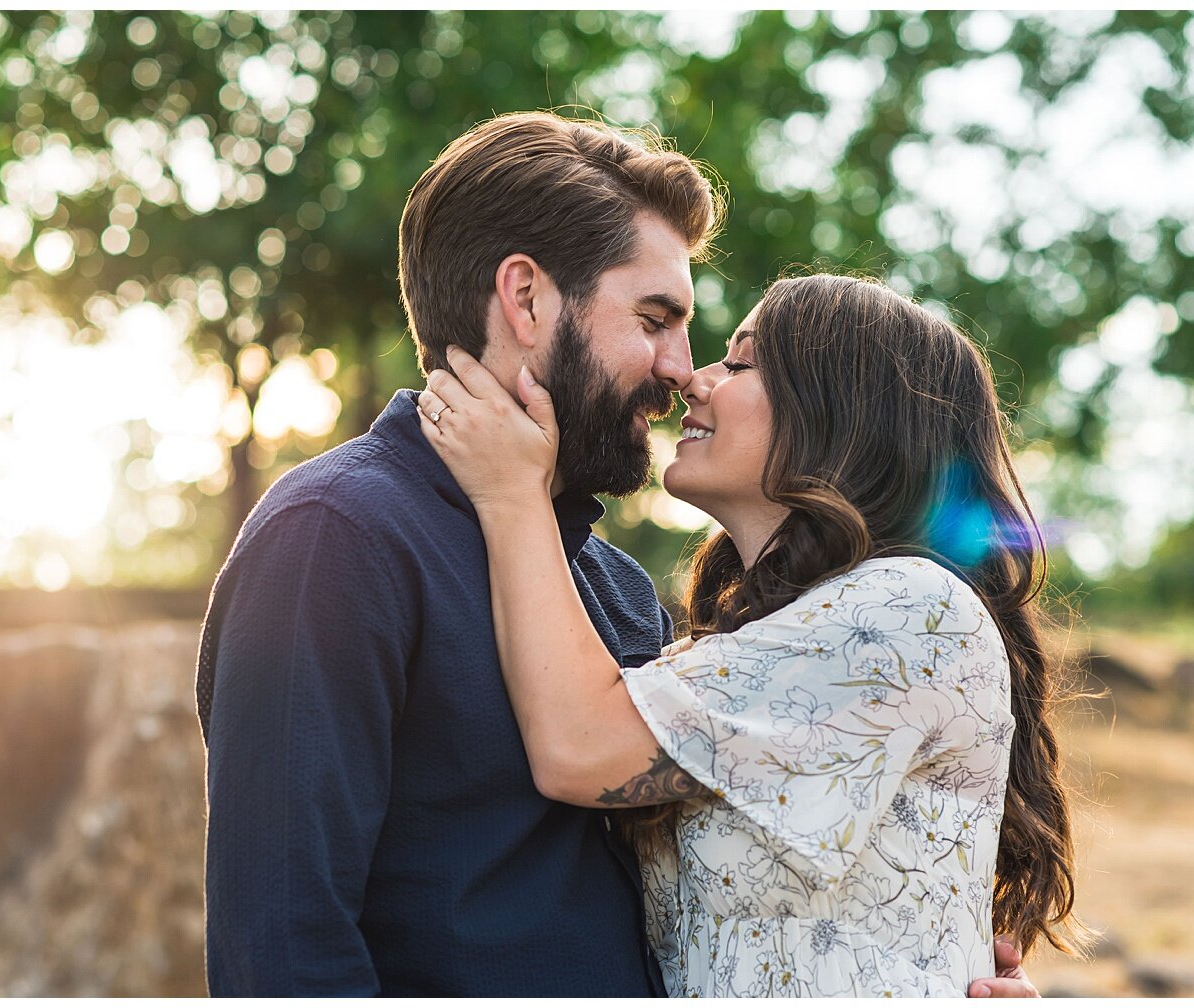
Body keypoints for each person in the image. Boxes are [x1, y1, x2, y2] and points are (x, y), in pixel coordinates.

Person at [196, 112, 1036, 996]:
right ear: (525, 300)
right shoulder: (338, 536)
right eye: (655, 318)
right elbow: (282, 942)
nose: (682, 368)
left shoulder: (614, 586)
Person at [415, 273, 1087, 996]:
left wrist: (511, 492)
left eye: (740, 362)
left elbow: (580, 747)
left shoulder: (906, 610)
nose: (693, 379)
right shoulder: (757, 642)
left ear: (842, 414)